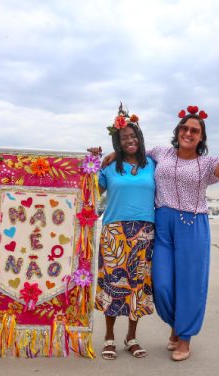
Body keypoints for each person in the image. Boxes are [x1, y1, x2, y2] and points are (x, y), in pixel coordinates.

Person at [150, 104, 219, 361]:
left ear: (201, 137)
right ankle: (176, 325)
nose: (188, 133)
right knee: (160, 284)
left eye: (195, 130)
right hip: (162, 224)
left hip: (192, 225)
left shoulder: (206, 164)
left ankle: (184, 338)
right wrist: (113, 154)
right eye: (185, 128)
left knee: (190, 284)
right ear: (178, 130)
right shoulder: (161, 153)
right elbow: (133, 153)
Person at [94, 105, 155, 360]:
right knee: (112, 285)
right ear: (117, 142)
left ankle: (131, 336)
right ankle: (109, 336)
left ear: (139, 139)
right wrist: (93, 163)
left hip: (145, 231)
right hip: (114, 233)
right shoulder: (108, 167)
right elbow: (89, 192)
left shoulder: (153, 163)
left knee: (137, 286)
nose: (129, 141)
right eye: (123, 138)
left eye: (133, 136)